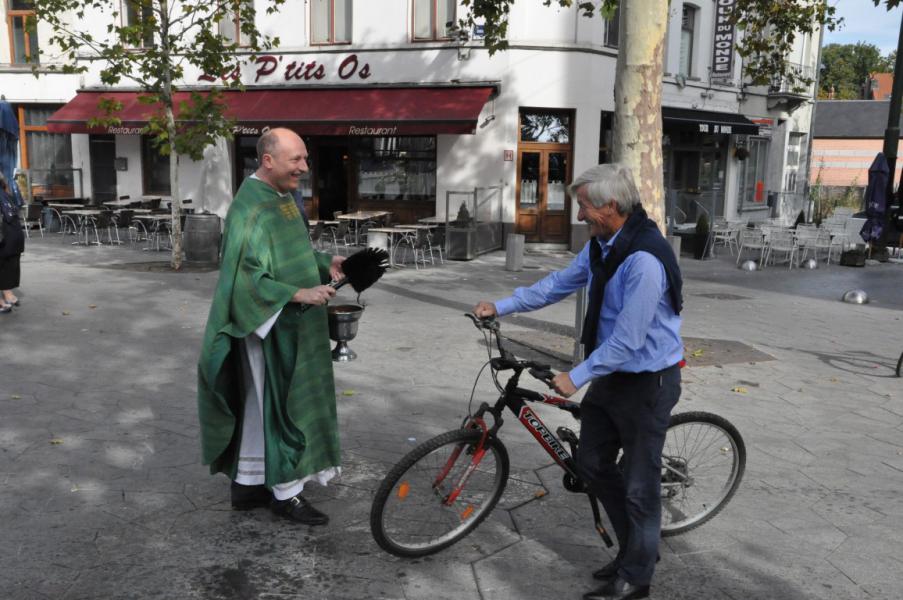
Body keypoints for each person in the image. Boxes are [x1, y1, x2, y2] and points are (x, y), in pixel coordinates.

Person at [473, 164, 683, 600]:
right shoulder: (603, 245)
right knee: (592, 465)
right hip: (613, 375)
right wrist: (501, 305)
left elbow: (628, 340)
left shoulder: (644, 260)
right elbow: (556, 285)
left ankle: (637, 578)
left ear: (610, 205)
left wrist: (576, 376)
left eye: (585, 206)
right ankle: (635, 551)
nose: (580, 215)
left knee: (642, 487)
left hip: (647, 383)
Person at [197, 128, 346, 525]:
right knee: (279, 406)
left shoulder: (280, 199)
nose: (305, 167)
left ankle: (248, 484)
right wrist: (298, 295)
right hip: (271, 324)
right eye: (296, 159)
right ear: (268, 160)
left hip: (293, 323)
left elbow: (291, 251)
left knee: (259, 405)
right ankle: (286, 494)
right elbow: (246, 277)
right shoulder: (250, 208)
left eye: (305, 158)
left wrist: (323, 263)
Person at [0, 172, 24, 313]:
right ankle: (7, 295)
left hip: (6, 239)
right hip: (14, 239)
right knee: (6, 268)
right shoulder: (6, 194)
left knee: (3, 267)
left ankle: (5, 297)